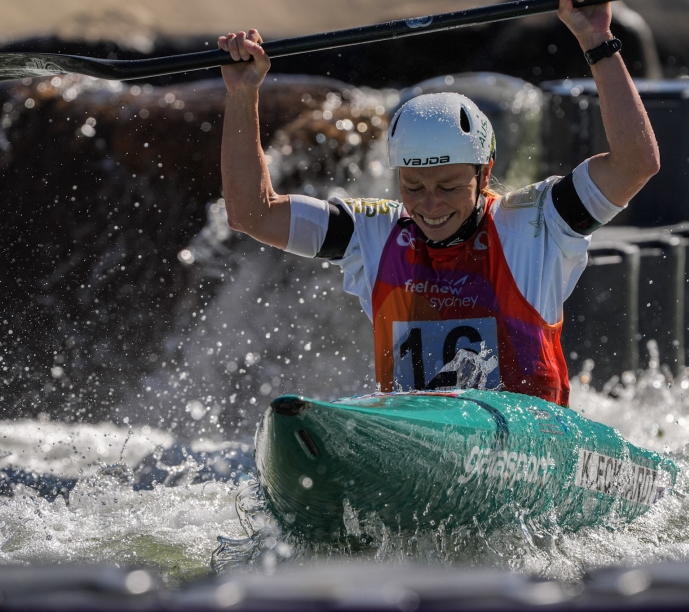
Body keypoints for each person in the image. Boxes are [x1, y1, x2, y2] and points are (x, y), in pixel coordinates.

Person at [217, 0, 659, 406]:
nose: (428, 205)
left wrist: (596, 42)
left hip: (533, 448)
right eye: (412, 186)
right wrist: (242, 95)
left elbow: (636, 164)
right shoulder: (372, 233)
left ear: (484, 173)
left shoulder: (535, 221)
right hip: (422, 451)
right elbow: (251, 213)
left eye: (448, 187)